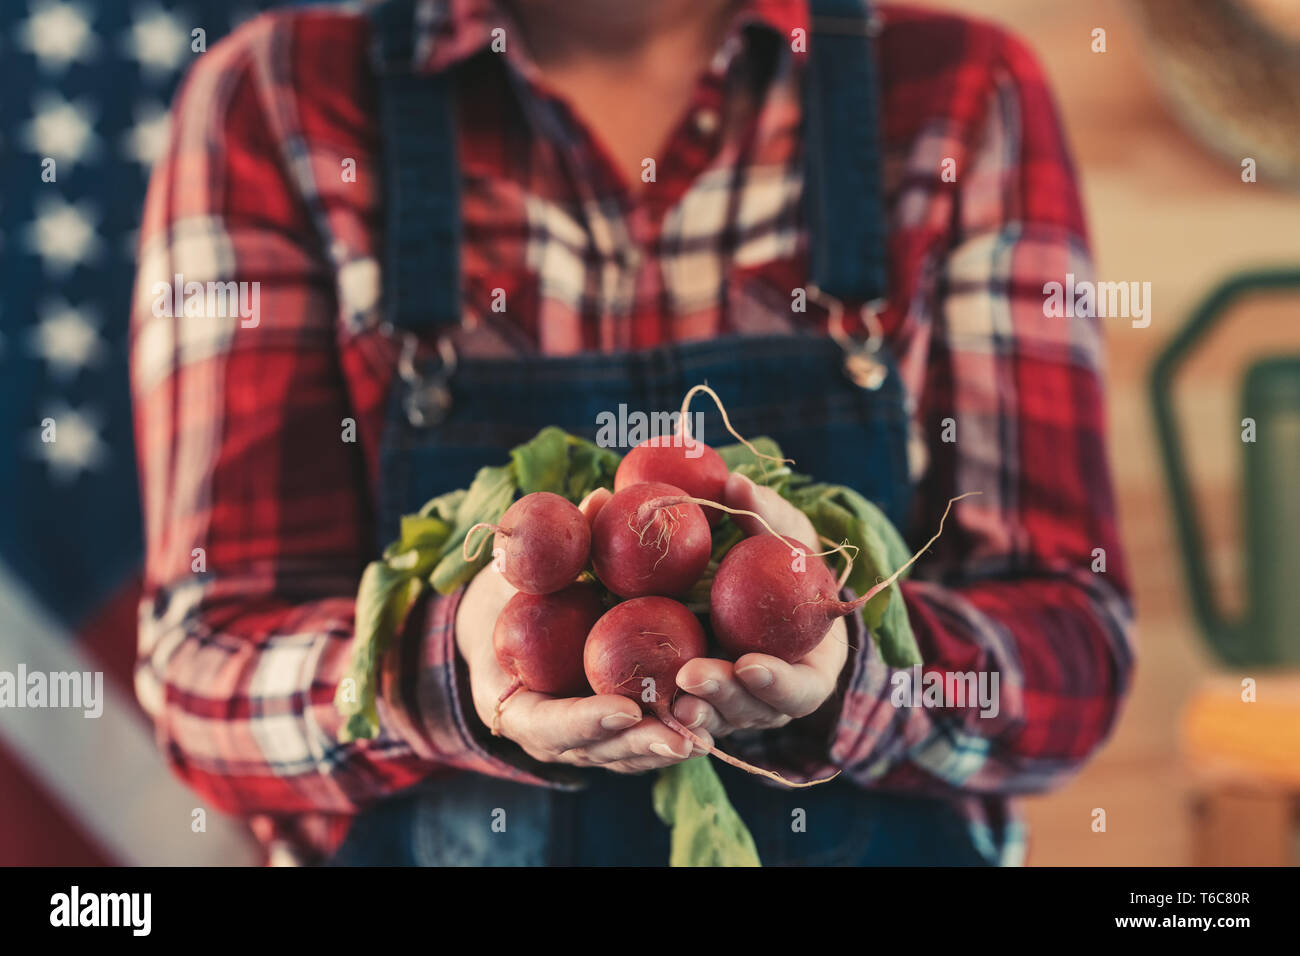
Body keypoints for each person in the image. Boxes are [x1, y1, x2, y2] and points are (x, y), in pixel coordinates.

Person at [130, 0, 1134, 866]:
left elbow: (1072, 651)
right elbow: (203, 665)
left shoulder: (957, 91)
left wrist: (852, 677)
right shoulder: (276, 100)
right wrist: (454, 662)